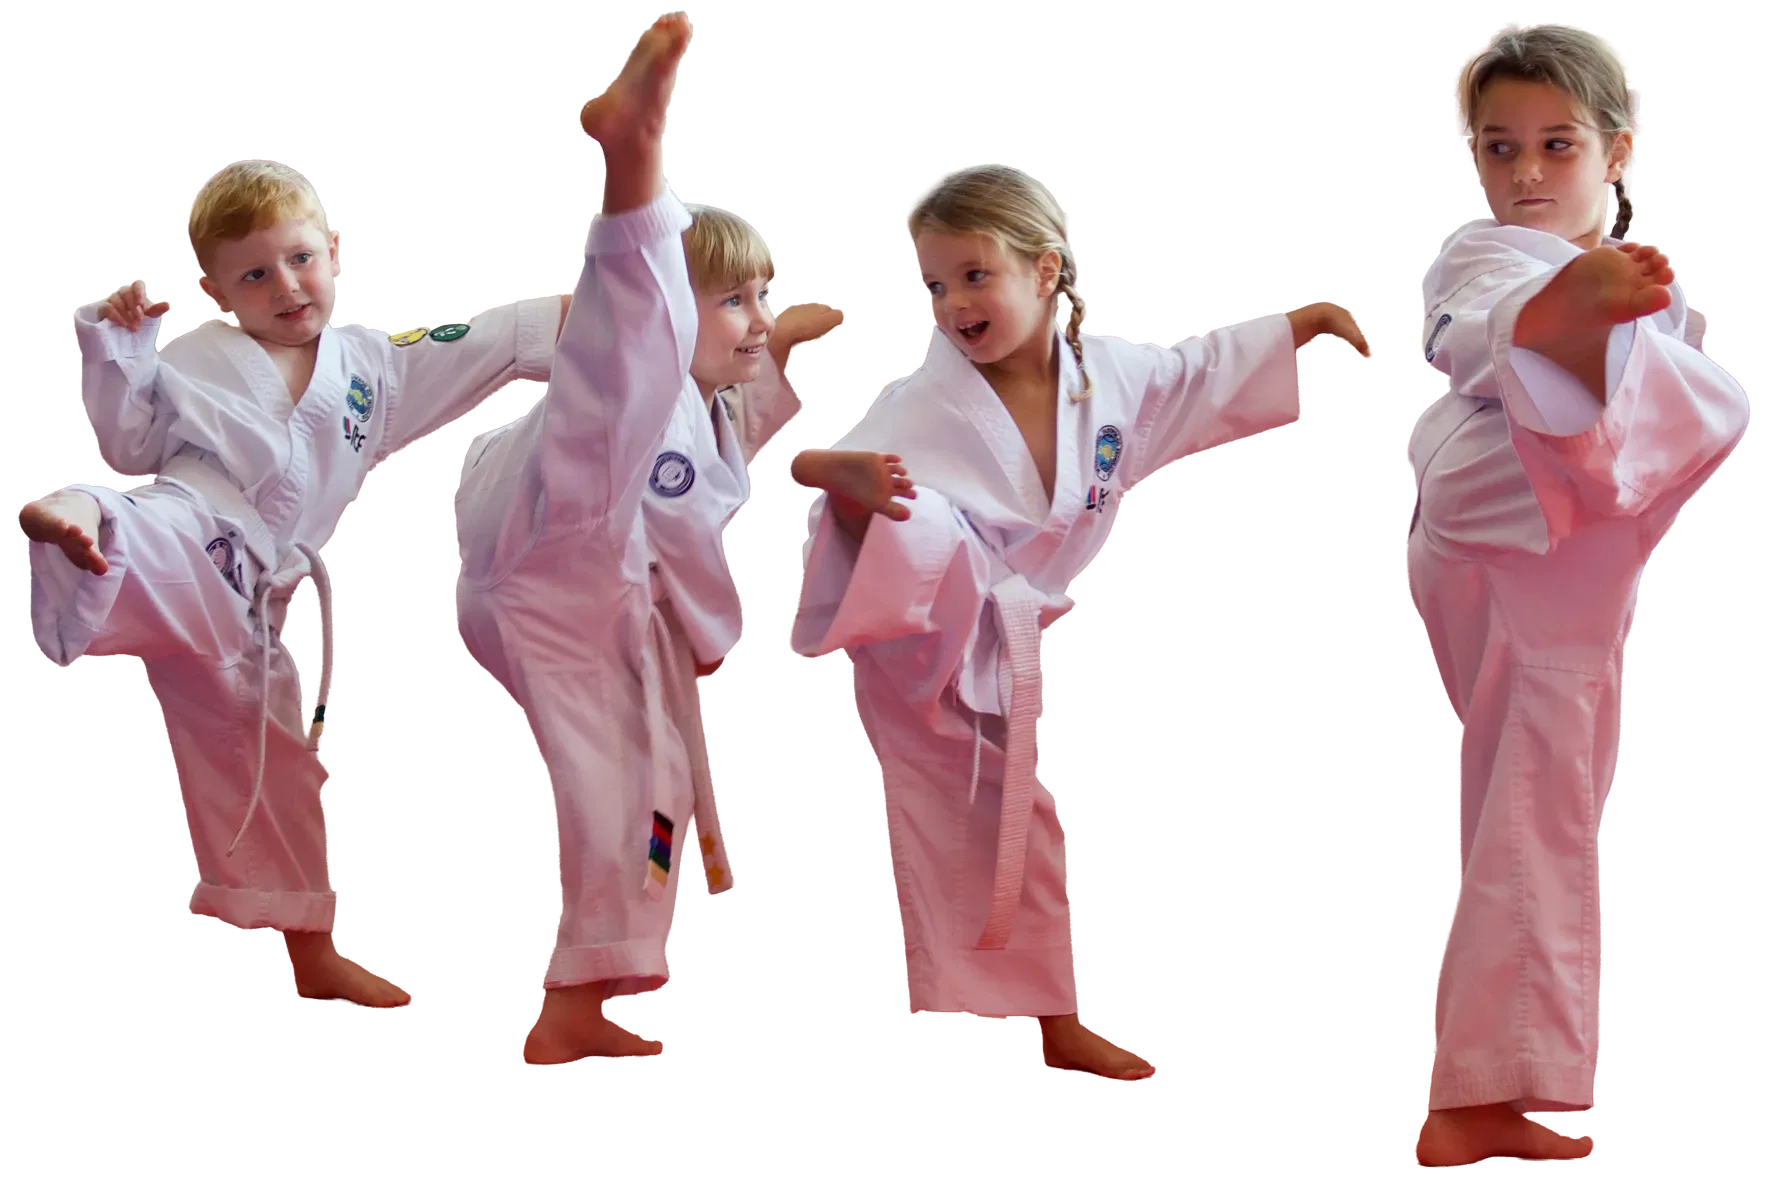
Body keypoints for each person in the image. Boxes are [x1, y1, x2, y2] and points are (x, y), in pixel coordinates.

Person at [795, 163, 1370, 1078]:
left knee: (1022, 827)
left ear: (1045, 269)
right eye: (934, 286)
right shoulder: (919, 404)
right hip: (927, 640)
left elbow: (1202, 367)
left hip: (1005, 635)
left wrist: (1306, 323)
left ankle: (1042, 1013)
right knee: (984, 814)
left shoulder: (1109, 377)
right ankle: (1048, 1020)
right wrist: (842, 483)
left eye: (975, 275)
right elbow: (848, 527)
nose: (953, 304)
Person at [452, 13, 912, 1065]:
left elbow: (715, 381)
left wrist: (770, 335)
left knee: (641, 791)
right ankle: (633, 150)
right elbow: (685, 508)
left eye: (764, 295)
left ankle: (591, 986)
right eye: (735, 301)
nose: (759, 316)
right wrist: (709, 639)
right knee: (625, 796)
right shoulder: (653, 407)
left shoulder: (693, 399)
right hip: (560, 581)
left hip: (561, 570)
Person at [17, 154, 568, 1007]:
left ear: (333, 252)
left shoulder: (373, 366)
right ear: (213, 291)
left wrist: (607, 301)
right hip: (202, 527)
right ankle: (78, 514)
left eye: (300, 259)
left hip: (267, 603)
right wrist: (120, 342)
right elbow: (130, 444)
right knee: (154, 524)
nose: (285, 286)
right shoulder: (194, 360)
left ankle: (313, 955)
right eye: (254, 275)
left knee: (279, 770)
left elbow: (491, 340)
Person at [1402, 23, 1753, 1165]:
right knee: (1534, 807)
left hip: (1539, 545)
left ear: (1619, 151)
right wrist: (1553, 317)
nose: (1525, 172)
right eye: (1497, 148)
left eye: (1557, 145)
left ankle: (1506, 1080)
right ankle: (1481, 1097)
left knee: (1529, 800)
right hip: (1514, 521)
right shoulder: (1486, 255)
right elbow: (1467, 341)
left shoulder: (1641, 293)